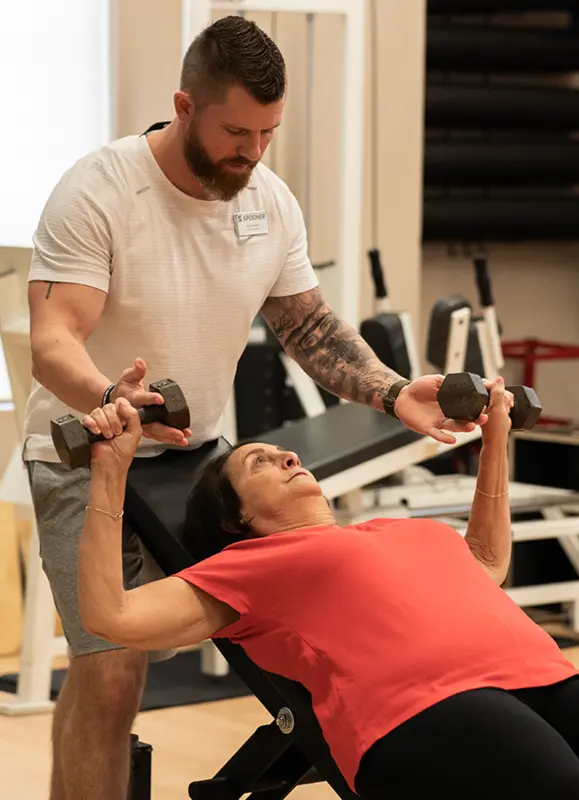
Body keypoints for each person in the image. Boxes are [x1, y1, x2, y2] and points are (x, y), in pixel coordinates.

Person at [24, 15, 488, 800]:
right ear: (183, 105)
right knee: (111, 666)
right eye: (237, 131)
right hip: (88, 449)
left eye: (268, 133)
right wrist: (111, 397)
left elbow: (305, 321)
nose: (253, 151)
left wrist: (386, 387)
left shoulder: (267, 200)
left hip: (200, 460)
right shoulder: (102, 188)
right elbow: (54, 337)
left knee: (294, 637)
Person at [77, 379, 579, 800]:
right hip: (424, 710)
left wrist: (493, 442)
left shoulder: (402, 530)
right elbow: (113, 616)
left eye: (284, 454)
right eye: (258, 461)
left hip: (545, 681)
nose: (287, 458)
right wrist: (109, 472)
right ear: (237, 518)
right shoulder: (248, 565)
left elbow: (486, 560)